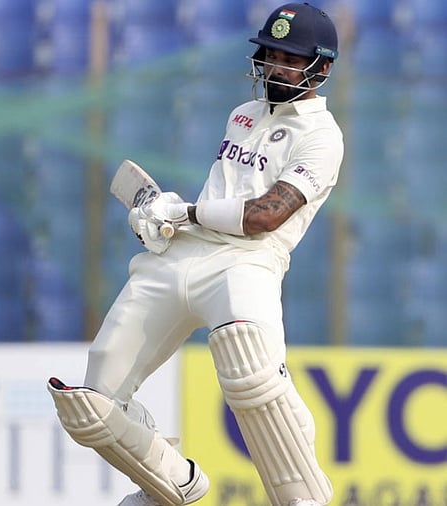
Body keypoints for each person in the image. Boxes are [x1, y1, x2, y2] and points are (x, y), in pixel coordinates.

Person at [47, 3, 342, 506]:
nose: (275, 67)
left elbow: (264, 216)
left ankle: (302, 498)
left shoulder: (321, 136)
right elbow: (225, 193)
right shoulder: (243, 115)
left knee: (251, 371)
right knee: (92, 405)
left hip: (247, 261)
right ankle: (172, 481)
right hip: (180, 256)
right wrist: (161, 222)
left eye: (289, 59)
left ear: (321, 67)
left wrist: (183, 211)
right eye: (270, 55)